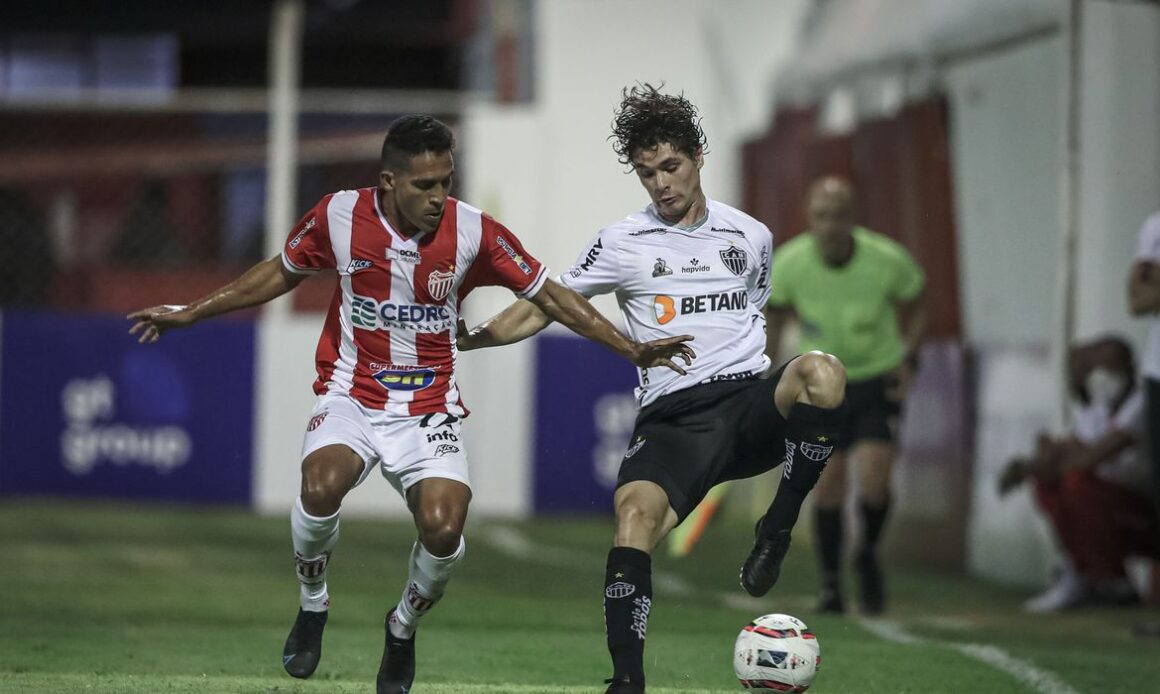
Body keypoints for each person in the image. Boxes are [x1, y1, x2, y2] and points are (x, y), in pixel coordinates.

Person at [126, 115, 694, 694]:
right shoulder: (339, 216)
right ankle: (313, 603)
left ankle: (401, 628)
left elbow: (553, 296)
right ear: (389, 180)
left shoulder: (475, 232)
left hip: (429, 407)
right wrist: (193, 311)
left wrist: (630, 349)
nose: (438, 197)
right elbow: (281, 271)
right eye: (424, 185)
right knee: (319, 486)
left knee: (445, 528)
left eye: (446, 181)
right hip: (353, 391)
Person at [457, 84, 847, 694]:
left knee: (822, 371)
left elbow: (757, 318)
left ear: (697, 158)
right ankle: (627, 681)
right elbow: (546, 305)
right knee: (633, 519)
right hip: (674, 417)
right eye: (647, 174)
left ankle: (776, 526)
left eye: (671, 167)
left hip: (747, 404)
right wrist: (474, 336)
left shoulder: (752, 237)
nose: (661, 183)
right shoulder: (622, 242)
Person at [764, 176, 926, 615]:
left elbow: (916, 301)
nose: (830, 225)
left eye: (839, 215)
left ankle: (868, 553)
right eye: (821, 216)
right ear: (809, 218)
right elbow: (774, 315)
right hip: (821, 383)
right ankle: (831, 583)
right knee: (829, 484)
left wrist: (909, 357)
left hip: (875, 381)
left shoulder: (887, 259)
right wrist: (769, 372)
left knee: (875, 484)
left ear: (853, 218)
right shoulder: (791, 262)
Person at [998, 337, 1160, 611]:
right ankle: (1085, 573)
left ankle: (1111, 581)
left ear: (1129, 368)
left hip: (1148, 516)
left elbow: (1090, 457)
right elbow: (1068, 449)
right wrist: (1036, 465)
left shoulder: (1142, 404)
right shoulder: (1097, 412)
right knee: (1049, 485)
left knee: (1077, 483)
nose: (1101, 378)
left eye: (1110, 369)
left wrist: (1036, 465)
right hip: (1119, 516)